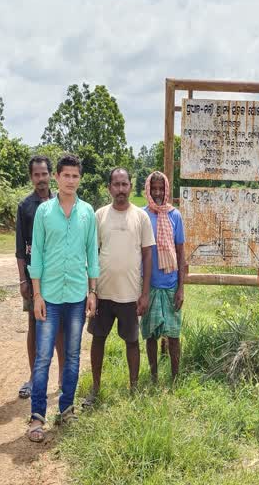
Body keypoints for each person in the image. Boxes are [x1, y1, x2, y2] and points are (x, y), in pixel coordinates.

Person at [25, 154, 99, 442]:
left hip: (78, 295)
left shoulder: (87, 213)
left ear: (80, 179)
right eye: (65, 175)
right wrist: (38, 295)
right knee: (43, 357)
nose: (70, 180)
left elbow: (92, 253)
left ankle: (66, 410)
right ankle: (37, 417)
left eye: (75, 176)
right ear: (56, 177)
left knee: (72, 355)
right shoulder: (44, 212)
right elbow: (38, 254)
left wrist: (92, 292)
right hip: (51, 296)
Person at [84, 167, 154, 407]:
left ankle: (133, 390)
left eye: (125, 184)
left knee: (132, 342)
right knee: (98, 339)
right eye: (116, 184)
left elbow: (147, 256)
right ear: (109, 188)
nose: (121, 189)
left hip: (130, 294)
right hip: (103, 292)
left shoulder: (141, 217)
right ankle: (95, 389)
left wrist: (145, 293)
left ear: (131, 187)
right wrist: (91, 291)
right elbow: (92, 254)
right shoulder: (99, 215)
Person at [14, 156, 64, 400]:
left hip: (59, 276)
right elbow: (21, 249)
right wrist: (23, 280)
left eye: (44, 174)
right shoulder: (25, 207)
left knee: (60, 328)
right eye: (36, 175)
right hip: (35, 277)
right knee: (35, 326)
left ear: (51, 175)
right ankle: (34, 378)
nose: (41, 179)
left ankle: (64, 378)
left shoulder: (62, 202)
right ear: (31, 177)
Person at [140, 171, 186, 383]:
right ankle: (154, 376)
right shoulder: (141, 215)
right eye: (153, 189)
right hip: (149, 285)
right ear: (148, 189)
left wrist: (181, 288)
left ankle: (176, 377)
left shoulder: (174, 215)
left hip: (170, 284)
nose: (157, 193)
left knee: (174, 334)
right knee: (150, 334)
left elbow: (180, 252)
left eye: (161, 188)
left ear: (167, 190)